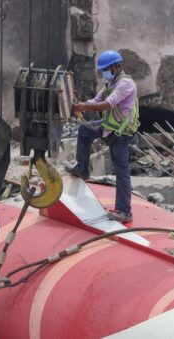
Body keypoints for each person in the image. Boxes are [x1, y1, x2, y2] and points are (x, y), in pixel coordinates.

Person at [67, 50, 139, 223]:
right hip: (108, 127)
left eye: (106, 69)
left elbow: (107, 104)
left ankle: (124, 211)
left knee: (121, 171)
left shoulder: (125, 84)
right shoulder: (110, 83)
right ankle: (83, 169)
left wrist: (82, 107)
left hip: (121, 133)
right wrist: (78, 106)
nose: (104, 72)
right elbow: (96, 100)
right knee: (84, 130)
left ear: (116, 66)